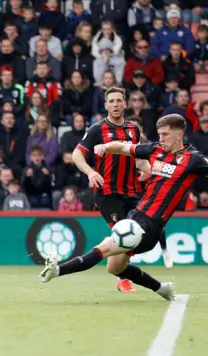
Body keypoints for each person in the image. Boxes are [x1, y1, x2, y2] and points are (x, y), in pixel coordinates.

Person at [40, 114, 208, 300]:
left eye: (165, 134)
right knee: (114, 268)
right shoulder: (155, 149)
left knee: (105, 247)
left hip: (150, 224)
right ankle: (161, 288)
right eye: (160, 134)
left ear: (178, 134)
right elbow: (123, 147)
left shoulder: (194, 160)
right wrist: (105, 147)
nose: (161, 138)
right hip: (137, 214)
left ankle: (57, 270)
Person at [72, 87, 172, 294]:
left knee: (140, 232)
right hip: (108, 192)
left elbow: (138, 158)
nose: (116, 105)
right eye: (112, 101)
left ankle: (122, 270)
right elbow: (76, 155)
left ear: (125, 104)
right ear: (106, 105)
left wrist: (152, 173)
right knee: (122, 233)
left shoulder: (133, 129)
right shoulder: (97, 129)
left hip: (133, 191)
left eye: (119, 100)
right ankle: (121, 277)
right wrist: (90, 172)